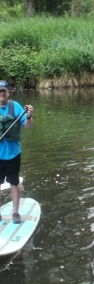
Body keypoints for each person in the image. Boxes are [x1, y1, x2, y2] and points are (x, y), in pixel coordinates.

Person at [0, 80, 34, 223]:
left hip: (13, 153)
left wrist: (28, 116)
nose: (1, 94)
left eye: (3, 91)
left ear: (8, 92)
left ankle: (15, 213)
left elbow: (28, 126)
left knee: (14, 182)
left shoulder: (16, 106)